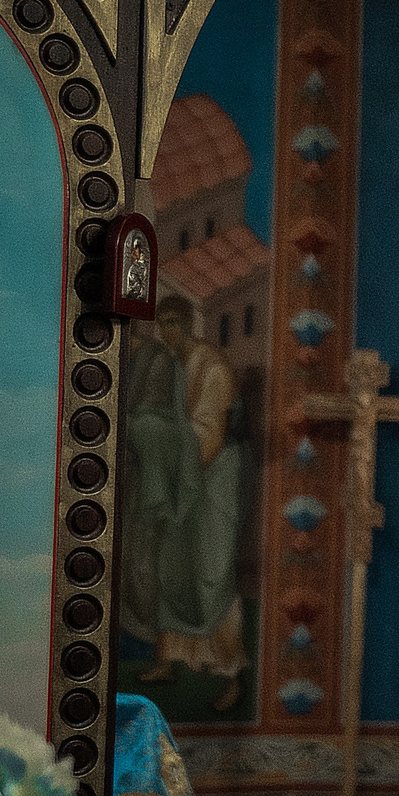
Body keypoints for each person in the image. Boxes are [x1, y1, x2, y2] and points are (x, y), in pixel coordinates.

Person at [119, 297, 247, 713]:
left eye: (174, 322)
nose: (167, 331)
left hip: (211, 482)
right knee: (171, 568)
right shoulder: (169, 364)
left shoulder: (212, 366)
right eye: (162, 324)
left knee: (211, 575)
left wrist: (159, 435)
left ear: (189, 322)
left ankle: (231, 674)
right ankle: (168, 661)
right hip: (182, 480)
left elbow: (209, 434)